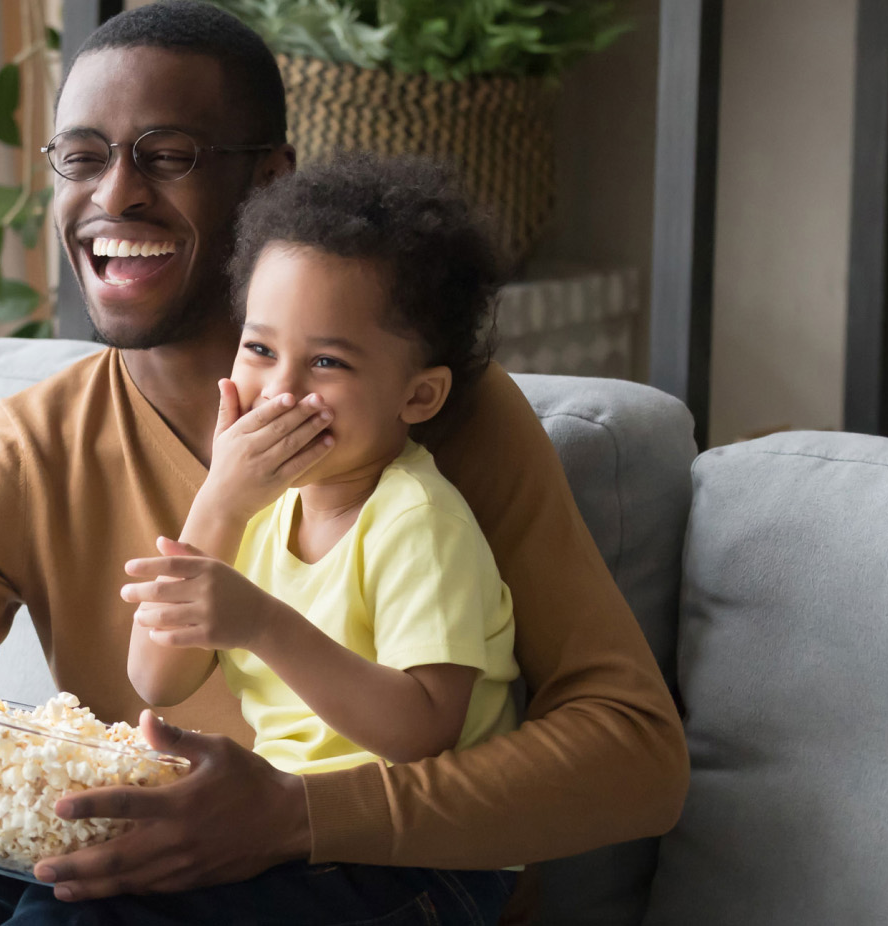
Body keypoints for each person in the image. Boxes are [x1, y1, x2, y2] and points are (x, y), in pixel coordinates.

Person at [0, 3, 686, 925]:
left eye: (165, 156)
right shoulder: (19, 452)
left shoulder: (441, 426)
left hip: (367, 885)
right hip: (109, 867)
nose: (113, 196)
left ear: (268, 181)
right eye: (80, 158)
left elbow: (632, 755)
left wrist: (298, 816)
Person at [122, 154, 520, 918]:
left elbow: (420, 731)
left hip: (421, 862)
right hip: (292, 838)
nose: (280, 391)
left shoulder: (416, 520)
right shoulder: (260, 509)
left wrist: (264, 623)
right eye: (261, 349)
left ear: (419, 394)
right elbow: (157, 679)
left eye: (328, 362)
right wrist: (220, 502)